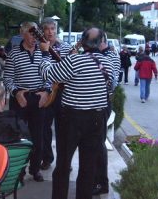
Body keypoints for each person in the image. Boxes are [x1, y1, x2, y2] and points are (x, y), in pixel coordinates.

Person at [39, 27, 113, 199]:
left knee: (63, 165)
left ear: (82, 42)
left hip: (71, 119)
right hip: (97, 119)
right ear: (101, 42)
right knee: (88, 167)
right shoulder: (109, 64)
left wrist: (44, 54)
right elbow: (110, 87)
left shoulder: (74, 61)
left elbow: (47, 73)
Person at [3, 21, 51, 182]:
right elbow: (8, 78)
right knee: (19, 137)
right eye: (31, 33)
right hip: (20, 99)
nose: (34, 37)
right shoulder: (13, 53)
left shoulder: (44, 51)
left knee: (38, 137)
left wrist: (46, 92)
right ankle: (19, 171)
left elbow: (50, 75)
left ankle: (35, 169)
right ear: (23, 34)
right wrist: (16, 93)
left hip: (39, 98)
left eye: (36, 33)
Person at [40, 17, 73, 171]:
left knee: (64, 129)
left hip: (62, 93)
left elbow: (71, 70)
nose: (50, 32)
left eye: (52, 29)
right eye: (47, 29)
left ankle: (64, 161)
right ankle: (46, 158)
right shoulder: (39, 47)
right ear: (42, 31)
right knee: (44, 128)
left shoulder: (66, 48)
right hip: (45, 92)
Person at [93, 31, 120, 196]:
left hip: (102, 104)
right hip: (100, 103)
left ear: (101, 42)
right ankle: (97, 180)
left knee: (98, 143)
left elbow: (109, 83)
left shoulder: (109, 57)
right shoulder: (104, 54)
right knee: (95, 143)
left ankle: (101, 182)